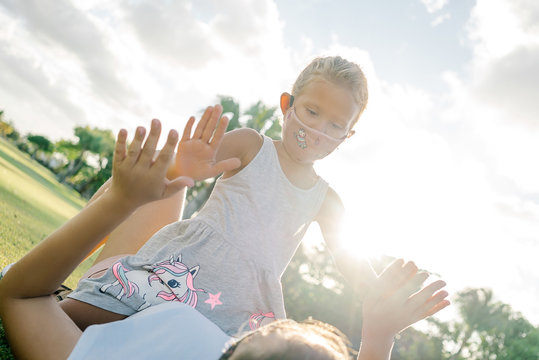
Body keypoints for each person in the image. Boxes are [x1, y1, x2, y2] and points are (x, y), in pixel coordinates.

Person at [0, 118, 450, 359]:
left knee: (160, 191)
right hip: (183, 276)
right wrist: (377, 338)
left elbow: (19, 295)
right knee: (168, 187)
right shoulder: (258, 148)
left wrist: (120, 201)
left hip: (143, 291)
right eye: (312, 113)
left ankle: (89, 292)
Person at [59, 56, 384, 336]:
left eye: (334, 125)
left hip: (237, 309)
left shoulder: (326, 200)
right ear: (288, 105)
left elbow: (351, 262)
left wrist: (385, 295)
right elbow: (176, 172)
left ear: (346, 136)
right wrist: (178, 165)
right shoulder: (251, 145)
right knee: (74, 317)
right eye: (312, 112)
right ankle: (49, 278)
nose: (318, 132)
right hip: (182, 271)